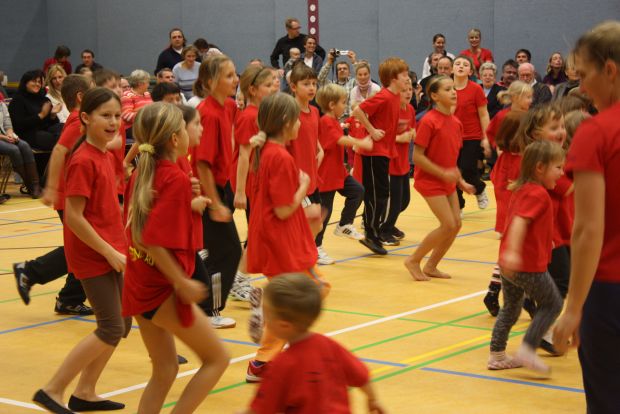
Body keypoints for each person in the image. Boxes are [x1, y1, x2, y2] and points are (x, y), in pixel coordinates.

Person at [122, 102, 228, 413]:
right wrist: (181, 281)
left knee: (165, 369)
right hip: (160, 288)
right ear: (174, 138)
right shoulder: (173, 178)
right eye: (186, 127)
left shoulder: (144, 172)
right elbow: (150, 238)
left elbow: (144, 227)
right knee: (217, 359)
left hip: (139, 282)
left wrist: (188, 203)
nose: (192, 131)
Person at [32, 87, 130, 414]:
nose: (113, 122)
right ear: (85, 118)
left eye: (117, 116)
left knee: (122, 322)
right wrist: (108, 252)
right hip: (93, 254)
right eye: (105, 115)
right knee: (110, 326)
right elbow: (74, 217)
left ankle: (85, 392)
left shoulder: (103, 155)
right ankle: (52, 389)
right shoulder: (84, 160)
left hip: (112, 248)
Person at [553, 21, 620, 413]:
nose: (580, 87)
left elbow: (588, 228)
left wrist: (574, 307)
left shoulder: (597, 132)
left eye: (584, 75)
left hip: (610, 291)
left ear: (609, 70)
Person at [245, 93, 330, 382]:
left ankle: (267, 359)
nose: (300, 125)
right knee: (314, 289)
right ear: (285, 122)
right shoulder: (279, 156)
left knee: (299, 296)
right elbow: (283, 209)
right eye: (296, 120)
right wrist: (303, 187)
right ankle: (268, 320)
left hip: (274, 237)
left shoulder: (266, 151)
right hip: (281, 241)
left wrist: (305, 215)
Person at [241, 274, 385, 414]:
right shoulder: (329, 345)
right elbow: (362, 376)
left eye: (266, 315)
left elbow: (258, 410)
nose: (264, 321)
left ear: (284, 325)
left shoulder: (281, 365)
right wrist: (373, 399)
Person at [13, 75, 94, 319]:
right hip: (72, 196)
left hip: (80, 194)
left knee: (85, 247)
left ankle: (69, 298)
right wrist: (51, 189)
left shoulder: (85, 120)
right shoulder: (77, 122)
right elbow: (59, 152)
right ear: (80, 96)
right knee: (84, 247)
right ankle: (31, 272)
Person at [488, 139, 564, 374]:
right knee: (553, 303)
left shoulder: (523, 189)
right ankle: (528, 348)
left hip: (508, 264)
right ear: (539, 167)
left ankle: (497, 355)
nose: (561, 173)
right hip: (526, 265)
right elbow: (520, 222)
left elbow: (526, 223)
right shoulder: (537, 194)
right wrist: (514, 251)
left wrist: (547, 241)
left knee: (511, 307)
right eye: (558, 167)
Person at [405, 75, 474, 281]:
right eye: (447, 89)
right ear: (434, 96)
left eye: (453, 88)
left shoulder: (456, 122)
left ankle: (431, 266)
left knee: (456, 224)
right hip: (429, 180)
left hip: (448, 181)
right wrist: (443, 173)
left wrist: (460, 181)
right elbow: (417, 157)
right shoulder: (428, 121)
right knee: (448, 224)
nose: (453, 92)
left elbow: (451, 157)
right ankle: (413, 260)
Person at [195, 55, 242, 329]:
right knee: (228, 252)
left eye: (235, 74)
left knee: (218, 251)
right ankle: (208, 309)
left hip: (222, 187)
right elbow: (202, 164)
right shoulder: (208, 113)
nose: (235, 80)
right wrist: (214, 203)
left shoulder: (229, 106)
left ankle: (198, 302)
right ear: (211, 81)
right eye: (229, 76)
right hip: (206, 192)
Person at [352, 57, 410, 255]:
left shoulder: (395, 97)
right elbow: (358, 110)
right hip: (373, 152)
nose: (407, 78)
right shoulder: (384, 96)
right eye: (404, 75)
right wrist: (372, 130)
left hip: (383, 152)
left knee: (382, 194)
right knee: (376, 194)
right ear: (393, 78)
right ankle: (371, 233)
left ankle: (374, 231)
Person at [230, 65, 276, 302]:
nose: (273, 88)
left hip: (261, 180)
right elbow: (243, 155)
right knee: (258, 233)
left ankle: (244, 276)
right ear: (253, 90)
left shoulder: (261, 113)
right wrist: (240, 191)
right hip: (250, 183)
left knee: (262, 232)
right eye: (267, 85)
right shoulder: (249, 116)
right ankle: (239, 279)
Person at [315, 83, 371, 263]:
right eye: (342, 102)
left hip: (339, 171)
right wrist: (361, 143)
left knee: (358, 191)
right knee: (325, 211)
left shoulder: (332, 121)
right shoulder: (325, 121)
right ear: (332, 105)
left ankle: (344, 224)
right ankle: (316, 247)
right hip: (326, 173)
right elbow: (339, 139)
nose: (345, 105)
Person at [452, 55, 491, 213]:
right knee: (452, 173)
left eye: (465, 64)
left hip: (471, 137)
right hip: (451, 138)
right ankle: (458, 205)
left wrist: (486, 137)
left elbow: (484, 114)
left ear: (470, 71)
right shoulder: (446, 88)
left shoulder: (476, 89)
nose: (461, 66)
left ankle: (480, 188)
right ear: (452, 68)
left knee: (467, 169)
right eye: (457, 63)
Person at [381, 79, 416, 245]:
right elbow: (381, 135)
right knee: (393, 203)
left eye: (410, 89)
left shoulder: (410, 109)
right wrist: (399, 138)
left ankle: (389, 223)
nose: (408, 93)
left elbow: (413, 128)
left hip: (403, 163)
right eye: (404, 90)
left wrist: (414, 133)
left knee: (404, 201)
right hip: (390, 162)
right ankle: (383, 230)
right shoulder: (391, 110)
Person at [8, 70, 62, 153]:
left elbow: (53, 123)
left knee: (63, 127)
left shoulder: (44, 99)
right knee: (54, 139)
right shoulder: (18, 100)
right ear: (25, 83)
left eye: (39, 82)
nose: (37, 84)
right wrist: (41, 115)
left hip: (45, 130)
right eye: (34, 81)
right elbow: (19, 125)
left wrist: (53, 115)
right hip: (27, 134)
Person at [0, 99, 39, 199]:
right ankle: (29, 185)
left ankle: (35, 184)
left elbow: (7, 124)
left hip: (5, 136)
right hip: (1, 138)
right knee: (14, 150)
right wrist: (5, 138)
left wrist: (10, 134)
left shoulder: (2, 105)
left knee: (24, 145)